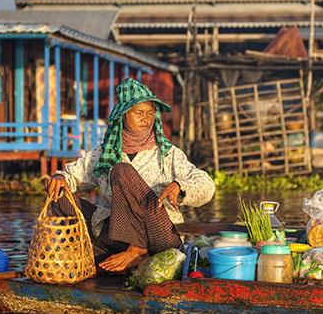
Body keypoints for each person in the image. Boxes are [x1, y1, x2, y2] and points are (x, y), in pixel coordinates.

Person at [45, 78, 215, 272]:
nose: (147, 119)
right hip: (118, 237)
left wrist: (179, 186)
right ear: (124, 116)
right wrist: (60, 178)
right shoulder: (104, 153)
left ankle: (138, 252)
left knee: (122, 171)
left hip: (159, 235)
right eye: (139, 113)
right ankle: (112, 254)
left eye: (151, 113)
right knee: (59, 198)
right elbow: (73, 175)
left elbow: (206, 184)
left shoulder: (168, 154)